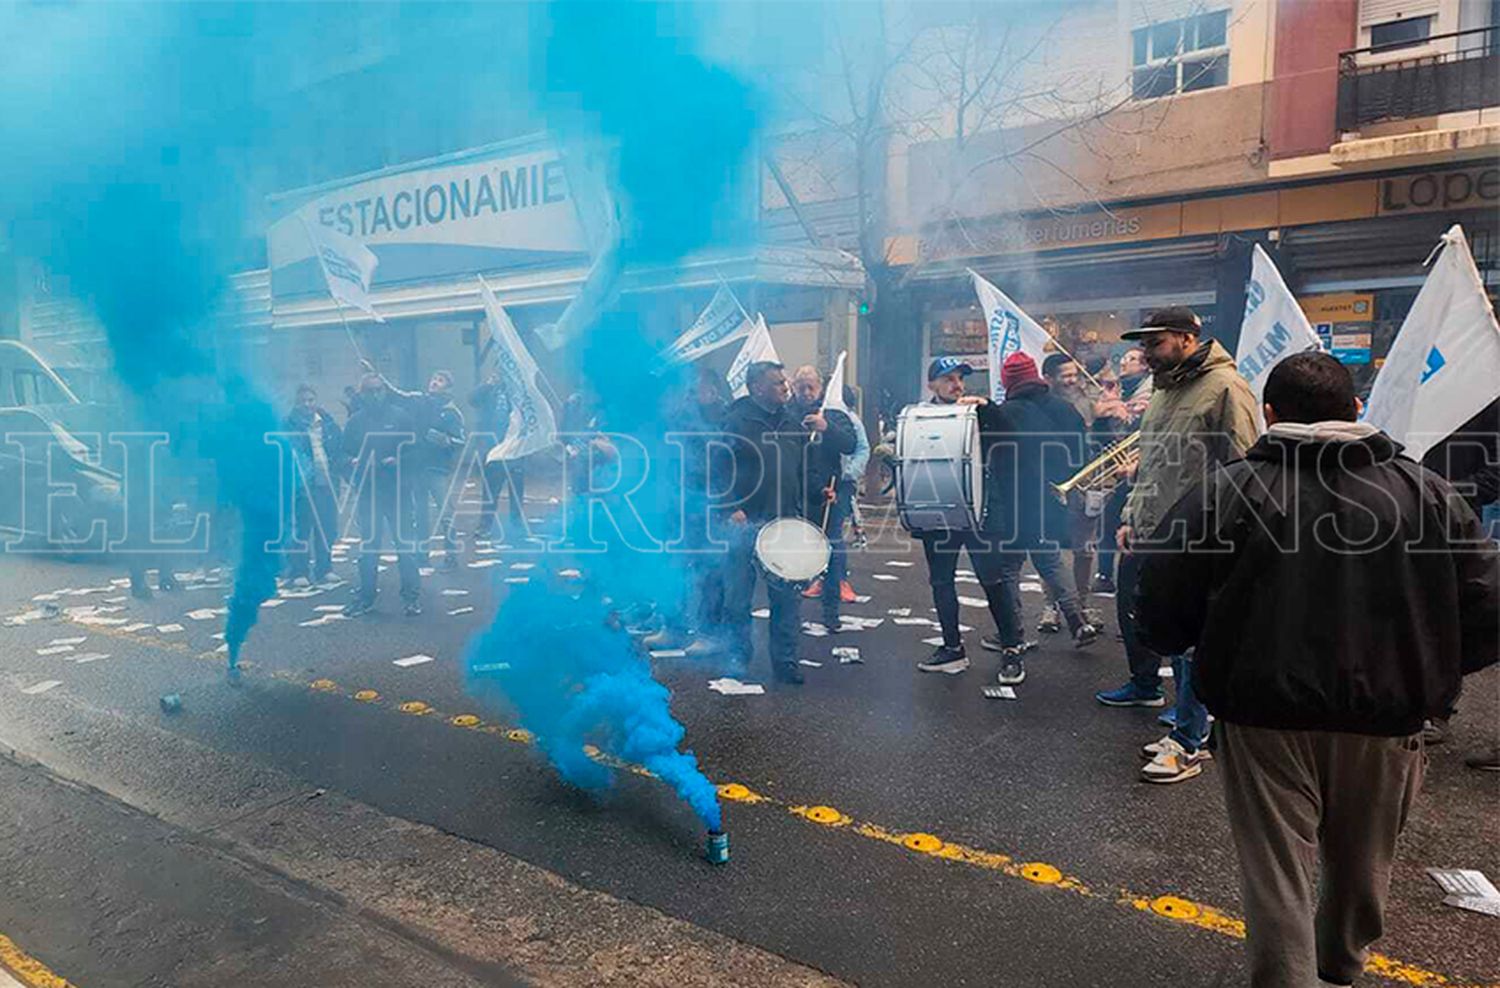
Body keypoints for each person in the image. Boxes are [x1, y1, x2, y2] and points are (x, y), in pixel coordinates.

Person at [1134, 352, 1499, 987]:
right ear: (1356, 410)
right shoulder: (1426, 492)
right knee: (1364, 862)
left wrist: (1190, 644)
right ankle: (1341, 965)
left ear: (1270, 415)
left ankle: (1289, 978)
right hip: (1389, 718)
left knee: (1276, 870)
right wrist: (1430, 671)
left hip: (1262, 713)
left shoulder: (1227, 490)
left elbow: (1161, 589)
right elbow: (1488, 602)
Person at [1095, 306, 1259, 787]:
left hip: (1199, 535)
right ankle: (1191, 728)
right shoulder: (1166, 392)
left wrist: (1228, 537)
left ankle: (1189, 741)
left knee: (1192, 640)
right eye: (1143, 345)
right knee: (1173, 632)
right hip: (1157, 531)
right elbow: (1151, 467)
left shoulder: (1226, 388)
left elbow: (1244, 468)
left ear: (1188, 339)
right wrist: (1130, 518)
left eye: (1155, 342)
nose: (1145, 354)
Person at [983, 353, 1102, 685]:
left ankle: (1013, 633)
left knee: (1008, 568)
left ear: (1008, 383)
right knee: (1050, 561)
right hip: (1051, 500)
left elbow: (991, 458)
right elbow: (1080, 455)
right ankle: (1077, 620)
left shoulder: (1006, 413)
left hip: (1012, 501)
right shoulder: (1066, 409)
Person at [910, 357, 1023, 676]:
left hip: (981, 511)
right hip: (938, 512)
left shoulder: (979, 412)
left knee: (993, 581)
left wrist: (988, 406)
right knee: (942, 582)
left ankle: (1012, 649)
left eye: (959, 378)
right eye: (948, 379)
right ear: (931, 384)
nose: (957, 385)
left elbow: (1012, 438)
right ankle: (951, 648)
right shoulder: (918, 416)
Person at [717, 361, 826, 684]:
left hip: (785, 522)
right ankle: (737, 656)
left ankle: (786, 661)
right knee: (738, 597)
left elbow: (805, 468)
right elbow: (718, 470)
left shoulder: (793, 421)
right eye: (777, 383)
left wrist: (819, 491)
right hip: (745, 523)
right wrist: (730, 506)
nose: (785, 387)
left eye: (784, 381)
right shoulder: (736, 421)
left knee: (786, 598)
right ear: (757, 388)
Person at [341, 372, 423, 617]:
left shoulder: (401, 417)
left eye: (379, 389)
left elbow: (417, 453)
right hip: (369, 494)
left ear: (385, 391)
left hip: (398, 493)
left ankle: (411, 597)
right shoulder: (355, 422)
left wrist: (398, 460)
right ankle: (366, 597)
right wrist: (352, 464)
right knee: (369, 548)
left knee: (405, 547)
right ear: (363, 394)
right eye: (370, 391)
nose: (375, 394)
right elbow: (342, 456)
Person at [788, 365, 859, 632]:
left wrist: (827, 427)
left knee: (831, 550)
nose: (806, 392)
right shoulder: (786, 413)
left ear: (820, 387)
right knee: (794, 554)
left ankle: (831, 611)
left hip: (830, 493)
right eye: (800, 387)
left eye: (811, 387)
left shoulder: (832, 411)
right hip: (797, 492)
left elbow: (850, 444)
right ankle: (791, 613)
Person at [1039, 353, 1099, 633]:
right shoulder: (1041, 406)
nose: (1072, 379)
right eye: (1065, 375)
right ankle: (1052, 607)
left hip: (1087, 482)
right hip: (1053, 482)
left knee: (1085, 549)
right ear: (1048, 379)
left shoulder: (1092, 400)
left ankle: (1082, 605)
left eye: (1075, 373)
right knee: (1050, 548)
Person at [404, 370, 466, 570]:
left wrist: (446, 440)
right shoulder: (419, 402)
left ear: (448, 387)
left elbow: (461, 440)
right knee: (420, 513)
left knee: (445, 511)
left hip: (438, 468)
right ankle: (422, 555)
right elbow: (397, 394)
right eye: (434, 379)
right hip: (418, 466)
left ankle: (451, 554)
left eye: (440, 381)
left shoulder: (451, 412)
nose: (435, 383)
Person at [282, 384, 343, 586]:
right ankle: (298, 572)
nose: (308, 405)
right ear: (297, 403)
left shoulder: (327, 423)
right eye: (303, 401)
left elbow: (337, 449)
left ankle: (324, 569)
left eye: (311, 400)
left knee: (326, 527)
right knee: (302, 528)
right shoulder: (288, 426)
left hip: (326, 484)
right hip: (302, 485)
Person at [471, 371, 528, 540]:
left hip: (516, 447)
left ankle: (516, 525)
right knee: (490, 489)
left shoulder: (519, 393)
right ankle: (485, 525)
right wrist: (488, 384)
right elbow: (472, 399)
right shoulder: (491, 390)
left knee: (516, 490)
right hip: (493, 446)